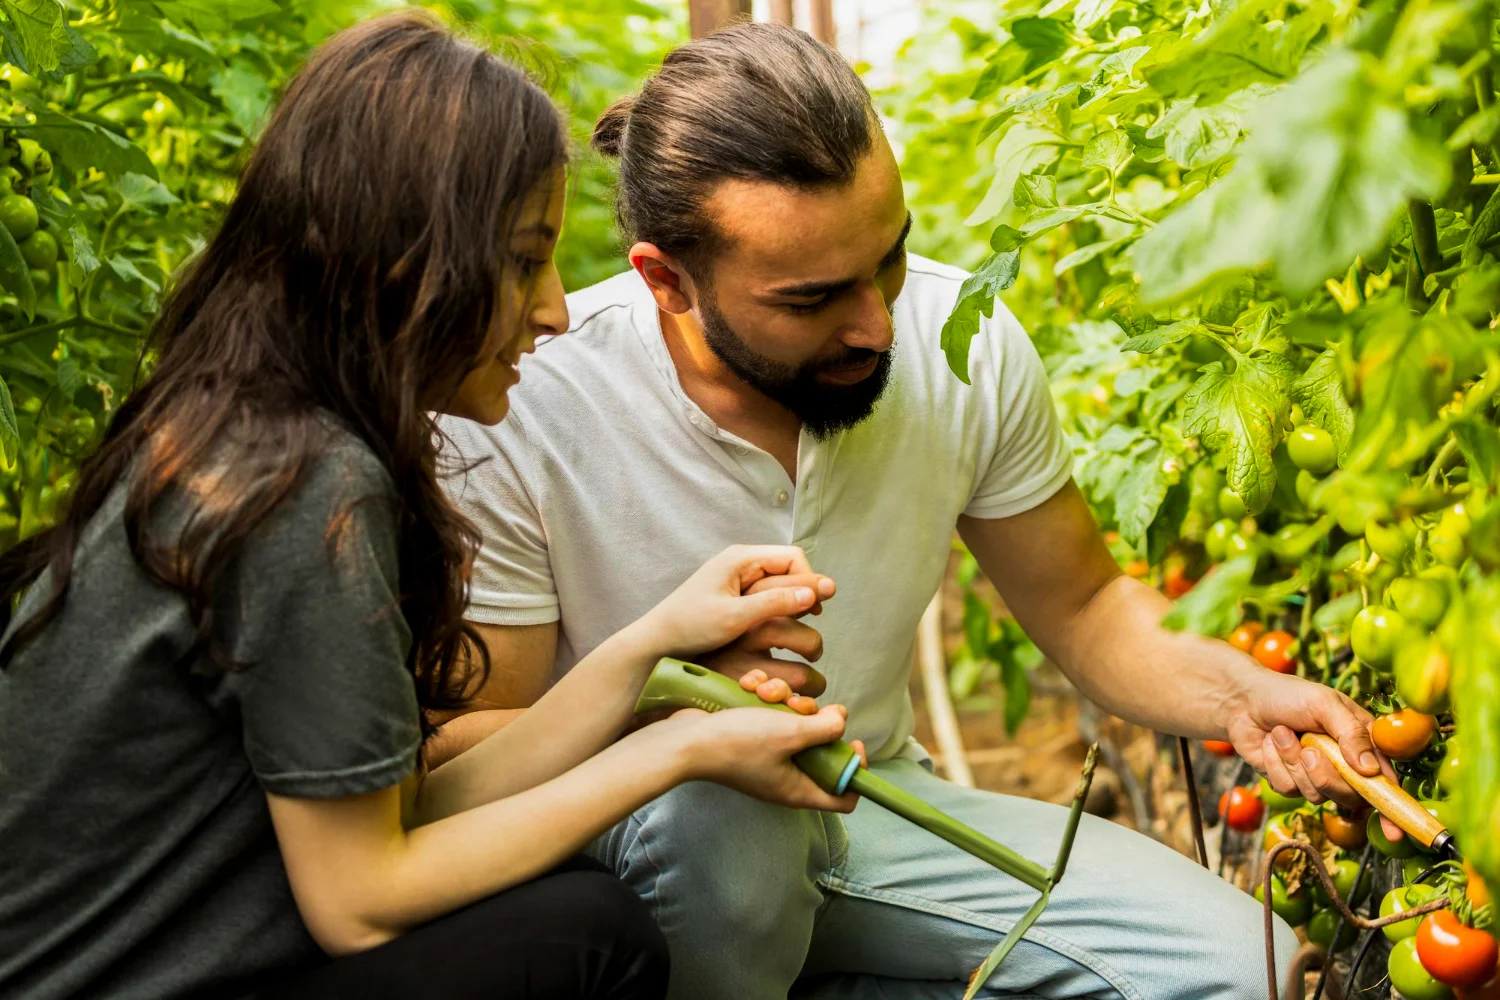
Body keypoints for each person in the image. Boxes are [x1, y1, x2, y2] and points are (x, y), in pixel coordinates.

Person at [437, 22, 1402, 1000]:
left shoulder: (960, 337)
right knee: (719, 826)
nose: (879, 324)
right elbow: (476, 746)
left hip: (877, 796)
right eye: (812, 298)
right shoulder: (529, 405)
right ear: (668, 280)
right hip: (655, 843)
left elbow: (1083, 605)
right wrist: (683, 703)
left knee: (1249, 975)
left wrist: (1241, 696)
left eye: (889, 258)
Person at [0, 14, 864, 1000]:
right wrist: (684, 747)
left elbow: (402, 809)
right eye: (523, 259)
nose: (550, 307)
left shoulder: (261, 432)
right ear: (410, 260)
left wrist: (650, 652)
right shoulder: (299, 486)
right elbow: (362, 898)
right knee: (585, 938)